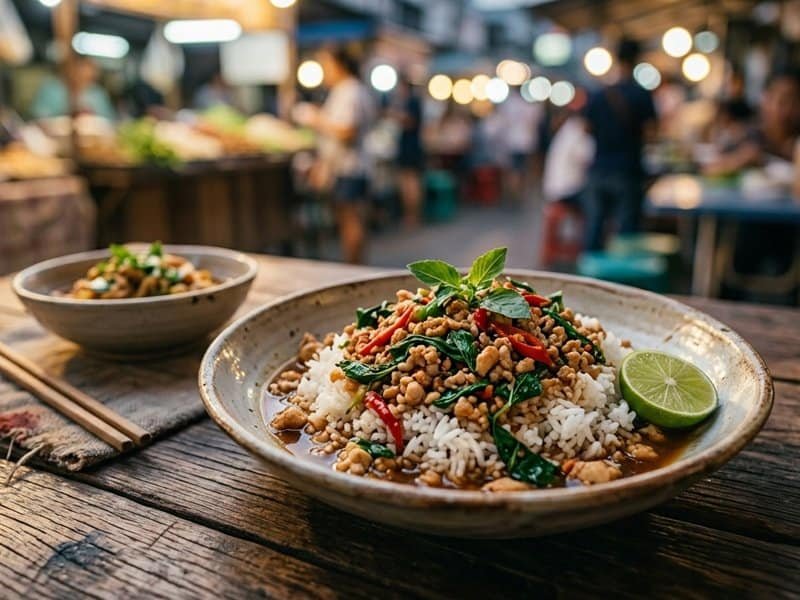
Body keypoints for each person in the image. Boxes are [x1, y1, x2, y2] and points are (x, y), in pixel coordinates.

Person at [293, 47, 373, 264]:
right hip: (346, 166)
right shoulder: (347, 90)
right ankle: (355, 266)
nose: (325, 71)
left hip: (350, 167)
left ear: (339, 65)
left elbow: (348, 131)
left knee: (350, 219)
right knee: (348, 218)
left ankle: (354, 269)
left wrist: (316, 118)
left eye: (326, 65)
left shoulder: (351, 91)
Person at [582, 38, 657, 251]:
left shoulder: (599, 93)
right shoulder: (641, 94)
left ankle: (589, 277)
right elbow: (651, 132)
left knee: (595, 225)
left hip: (599, 168)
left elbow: (585, 129)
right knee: (627, 228)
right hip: (628, 170)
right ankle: (621, 278)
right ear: (637, 59)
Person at [704, 71, 800, 175]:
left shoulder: (796, 143)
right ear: (765, 101)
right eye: (782, 101)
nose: (789, 110)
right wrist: (739, 160)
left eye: (795, 102)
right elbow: (711, 168)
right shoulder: (749, 136)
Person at [31, 57, 115, 120]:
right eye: (80, 75)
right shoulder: (51, 89)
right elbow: (39, 116)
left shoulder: (98, 94)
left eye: (89, 79)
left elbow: (108, 120)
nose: (83, 80)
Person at [390, 75, 424, 227]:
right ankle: (412, 215)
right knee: (410, 182)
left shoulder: (412, 102)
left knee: (410, 182)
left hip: (409, 147)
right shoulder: (410, 102)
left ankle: (412, 216)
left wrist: (395, 116)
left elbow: (410, 122)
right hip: (410, 146)